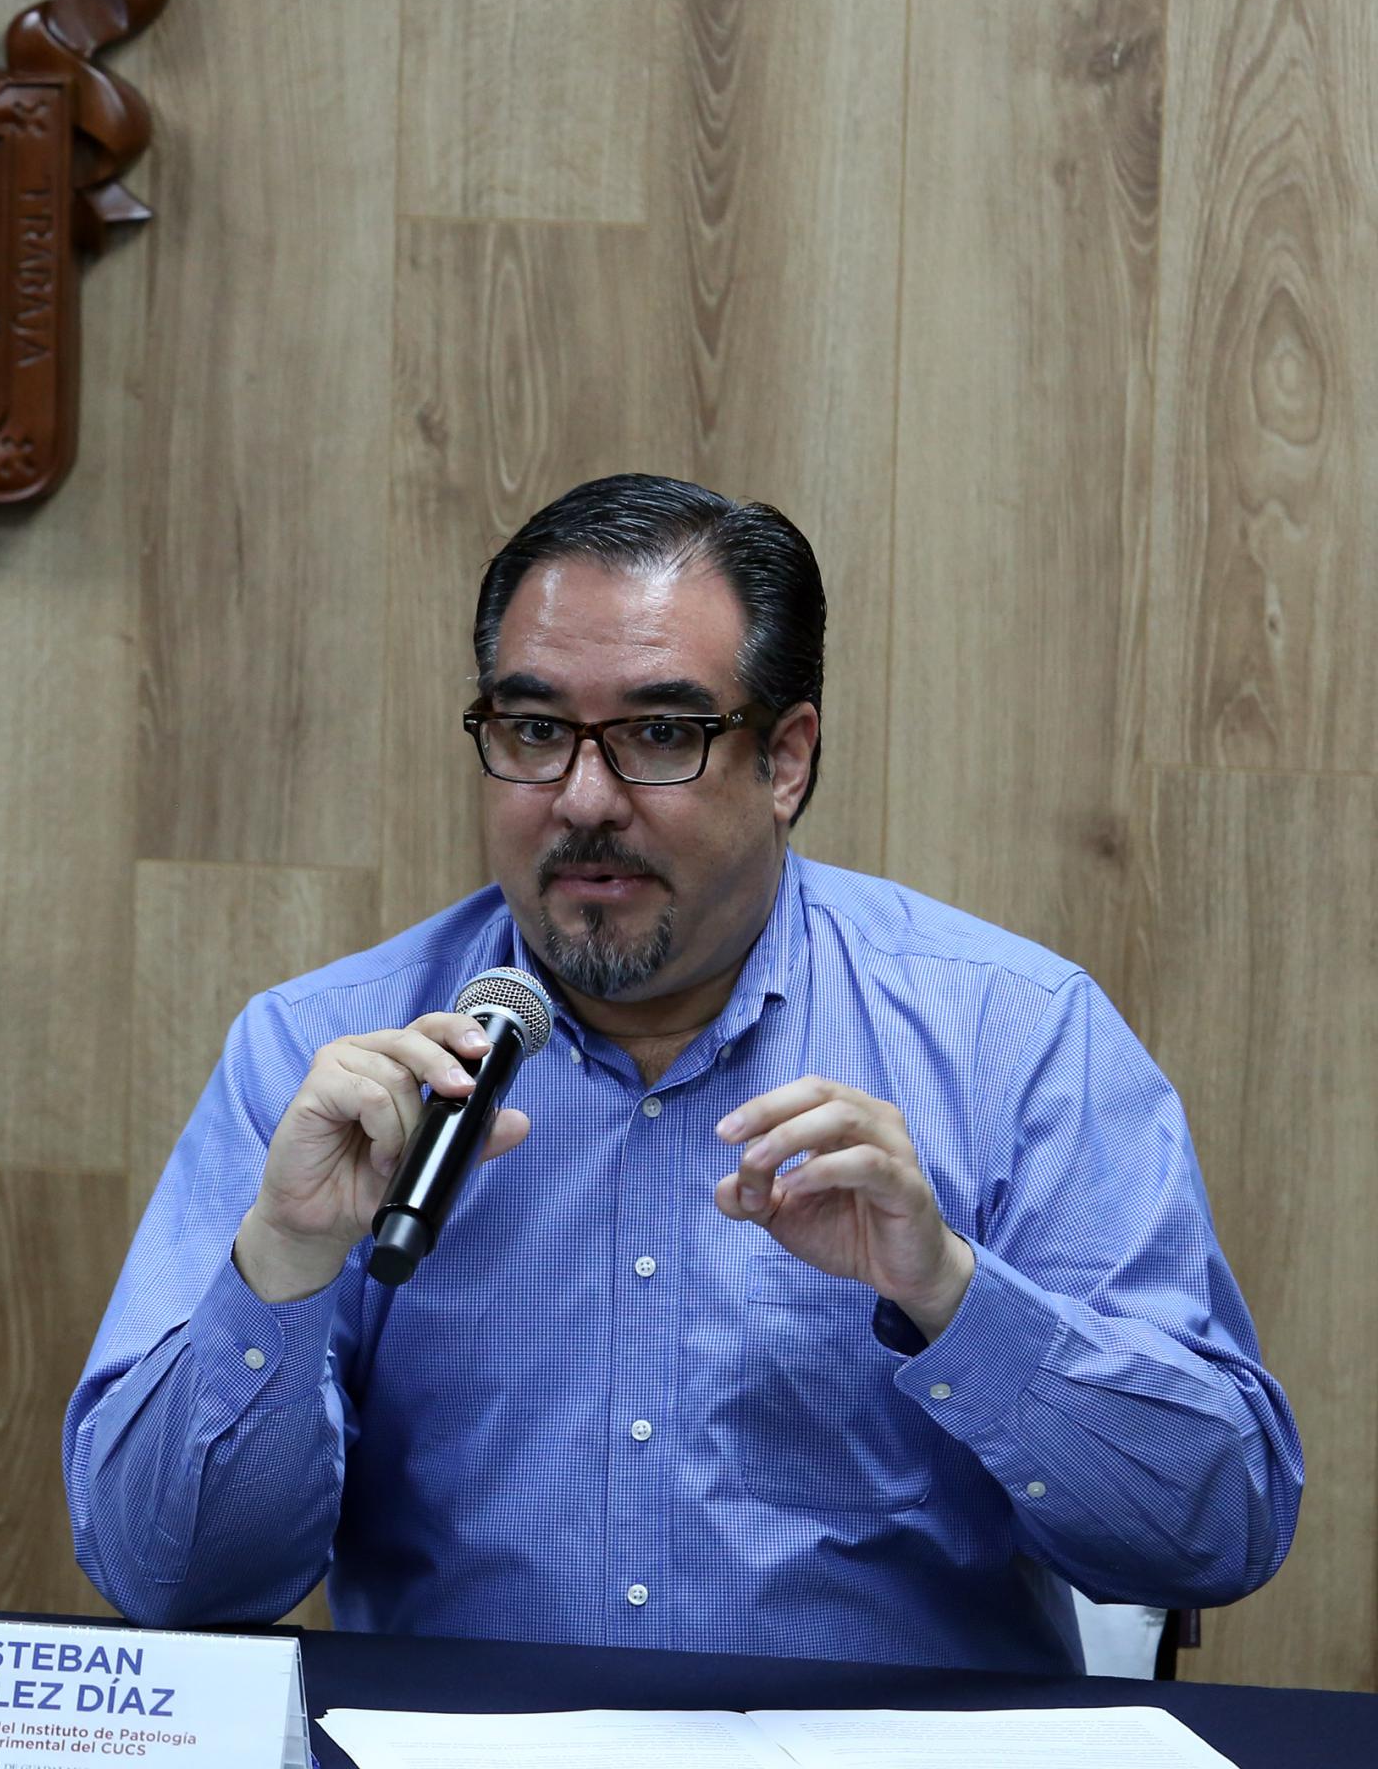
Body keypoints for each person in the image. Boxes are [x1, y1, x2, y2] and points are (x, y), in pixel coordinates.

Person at [64, 474, 1300, 1672]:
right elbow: (165, 1580)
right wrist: (280, 1265)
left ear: (787, 760)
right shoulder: (319, 1059)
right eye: (535, 731)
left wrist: (956, 1298)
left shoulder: (1014, 1042)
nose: (583, 799)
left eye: (660, 733)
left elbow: (1218, 1528)